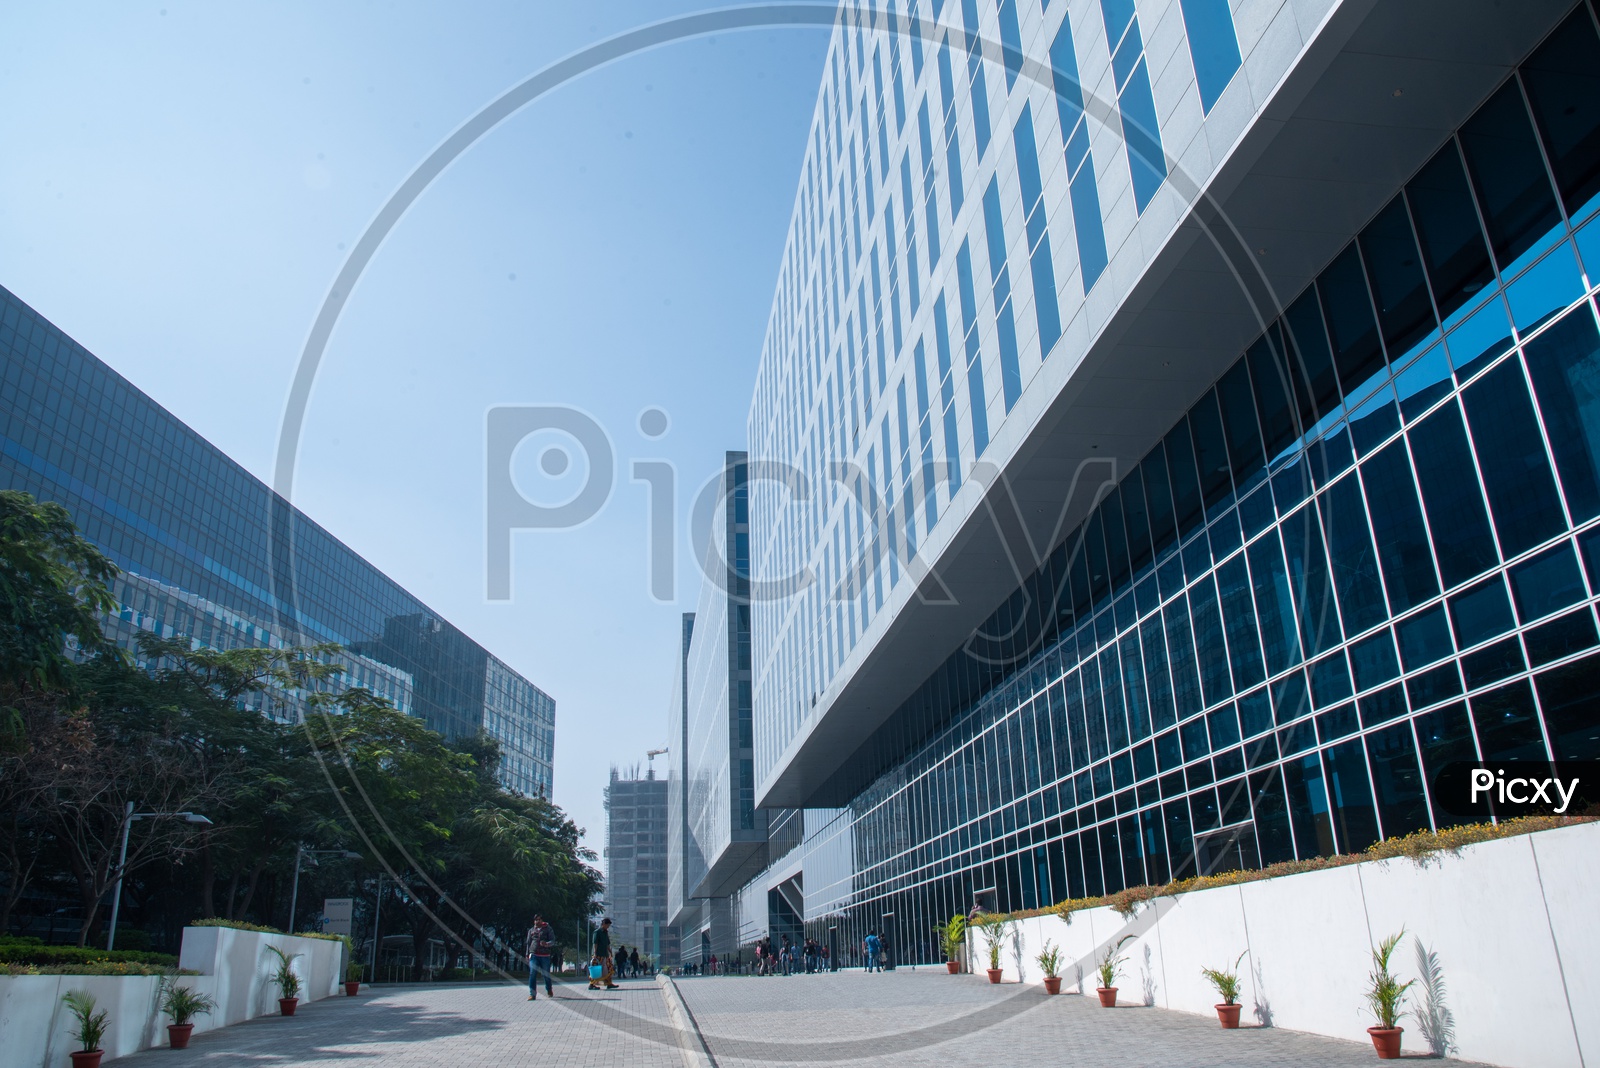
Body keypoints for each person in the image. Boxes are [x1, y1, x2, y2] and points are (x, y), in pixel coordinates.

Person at [525, 914, 555, 1000]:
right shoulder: (531, 930)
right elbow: (528, 943)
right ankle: (532, 994)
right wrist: (527, 954)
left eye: (539, 920)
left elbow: (553, 940)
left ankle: (549, 989)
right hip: (534, 955)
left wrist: (547, 944)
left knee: (546, 974)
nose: (537, 921)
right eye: (535, 920)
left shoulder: (548, 929)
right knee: (532, 974)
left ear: (542, 920)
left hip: (545, 955)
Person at [591, 918, 618, 989]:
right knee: (596, 970)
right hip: (598, 954)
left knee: (609, 969)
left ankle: (609, 983)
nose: (608, 926)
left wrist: (610, 952)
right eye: (607, 925)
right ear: (603, 924)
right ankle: (592, 984)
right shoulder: (597, 932)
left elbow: (607, 944)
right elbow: (595, 943)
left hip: (605, 954)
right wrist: (595, 953)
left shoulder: (606, 932)